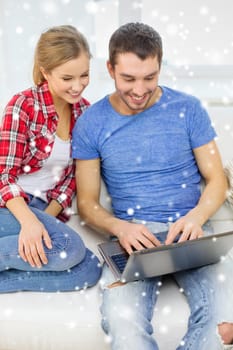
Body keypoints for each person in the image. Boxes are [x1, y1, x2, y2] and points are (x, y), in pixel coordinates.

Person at [72, 22, 233, 349]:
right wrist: (120, 227)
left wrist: (196, 218)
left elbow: (217, 179)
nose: (140, 90)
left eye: (150, 77)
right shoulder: (91, 122)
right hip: (133, 239)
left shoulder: (188, 109)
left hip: (191, 234)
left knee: (226, 325)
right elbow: (87, 205)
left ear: (160, 66)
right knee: (123, 322)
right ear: (110, 69)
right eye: (129, 79)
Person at [0, 25, 101, 292]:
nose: (78, 86)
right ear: (45, 72)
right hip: (9, 206)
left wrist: (44, 222)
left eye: (84, 75)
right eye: (67, 78)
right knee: (68, 248)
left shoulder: (85, 114)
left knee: (90, 269)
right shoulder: (23, 106)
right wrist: (29, 222)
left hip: (41, 209)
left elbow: (69, 182)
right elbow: (3, 175)